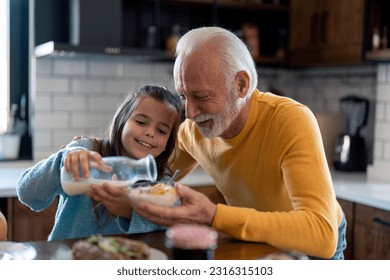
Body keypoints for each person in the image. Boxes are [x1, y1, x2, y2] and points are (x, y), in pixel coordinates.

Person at [130, 27, 347, 259]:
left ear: (241, 85)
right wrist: (90, 152)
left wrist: (214, 215)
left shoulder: (289, 120)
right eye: (183, 96)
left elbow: (321, 234)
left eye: (201, 96)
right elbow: (152, 176)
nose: (190, 113)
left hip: (310, 246)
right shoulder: (193, 131)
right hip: (253, 238)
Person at [17, 85, 182, 241]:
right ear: (122, 120)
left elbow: (172, 221)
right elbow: (28, 194)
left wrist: (130, 211)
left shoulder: (162, 184)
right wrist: (64, 160)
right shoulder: (85, 151)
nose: (150, 133)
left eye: (161, 130)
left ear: (168, 142)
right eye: (141, 122)